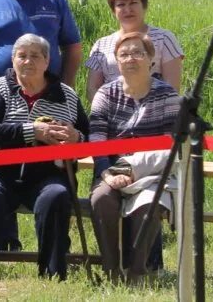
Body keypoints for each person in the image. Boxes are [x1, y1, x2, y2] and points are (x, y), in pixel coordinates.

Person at [0, 34, 89, 280]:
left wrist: (77, 138)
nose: (28, 61)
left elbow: (87, 135)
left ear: (47, 61)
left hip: (46, 174)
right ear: (13, 60)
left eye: (35, 56)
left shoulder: (66, 95)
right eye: (22, 56)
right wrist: (33, 131)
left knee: (56, 195)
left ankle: (53, 273)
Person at [88, 32, 181, 284]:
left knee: (148, 206)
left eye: (138, 53)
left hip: (152, 174)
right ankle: (111, 270)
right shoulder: (105, 94)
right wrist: (107, 172)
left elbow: (171, 147)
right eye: (124, 54)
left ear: (151, 58)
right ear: (117, 61)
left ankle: (138, 273)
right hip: (111, 171)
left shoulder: (168, 96)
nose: (131, 58)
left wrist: (133, 170)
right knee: (101, 199)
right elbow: (95, 138)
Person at [85, 0, 183, 99]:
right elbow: (92, 89)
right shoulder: (101, 45)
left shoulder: (164, 39)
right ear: (113, 11)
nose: (128, 10)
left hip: (155, 111)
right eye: (121, 5)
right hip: (111, 113)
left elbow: (172, 88)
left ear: (144, 6)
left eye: (133, 3)